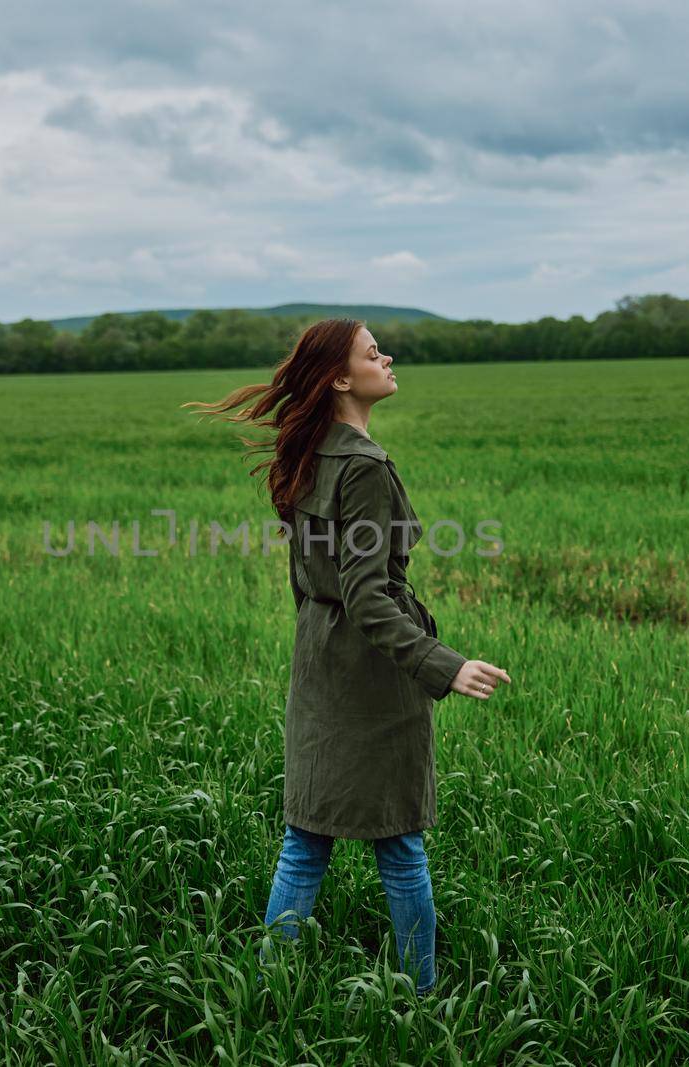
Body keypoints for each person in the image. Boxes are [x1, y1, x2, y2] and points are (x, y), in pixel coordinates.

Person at [182, 317, 512, 997]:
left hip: (319, 663)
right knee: (400, 845)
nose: (386, 357)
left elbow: (313, 582)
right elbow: (368, 598)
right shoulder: (363, 467)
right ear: (339, 377)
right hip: (369, 678)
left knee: (306, 842)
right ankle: (423, 1001)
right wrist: (442, 663)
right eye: (371, 352)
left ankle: (266, 992)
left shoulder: (314, 452)